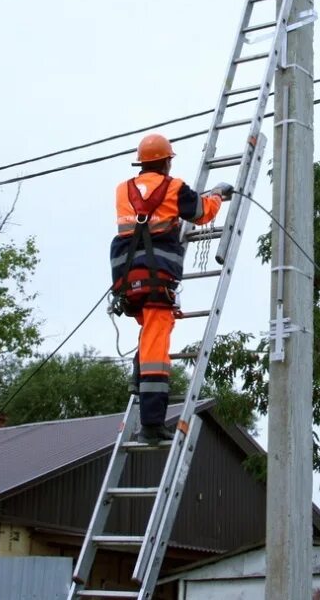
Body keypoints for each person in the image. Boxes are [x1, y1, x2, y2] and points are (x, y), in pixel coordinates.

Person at [110, 133, 233, 443]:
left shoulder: (123, 190)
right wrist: (217, 193)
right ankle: (151, 425)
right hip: (156, 278)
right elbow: (202, 212)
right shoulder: (173, 187)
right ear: (166, 161)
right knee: (156, 349)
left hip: (127, 279)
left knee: (148, 335)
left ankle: (138, 385)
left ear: (142, 162)